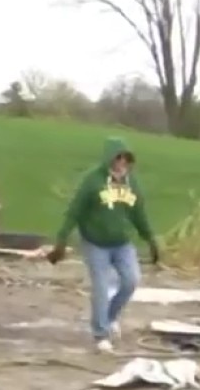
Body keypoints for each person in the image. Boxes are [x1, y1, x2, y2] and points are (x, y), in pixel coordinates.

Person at [47, 137, 159, 353]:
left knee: (131, 281)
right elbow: (74, 212)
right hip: (95, 243)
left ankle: (109, 317)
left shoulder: (132, 183)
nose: (122, 164)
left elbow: (139, 214)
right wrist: (61, 241)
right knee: (100, 287)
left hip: (122, 243)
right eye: (118, 158)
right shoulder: (92, 181)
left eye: (126, 159)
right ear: (110, 159)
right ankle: (101, 334)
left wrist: (151, 240)